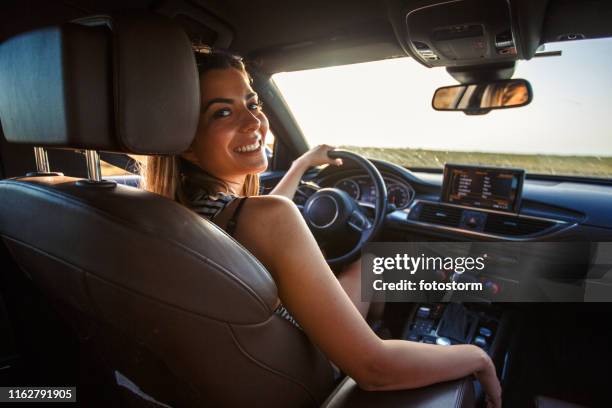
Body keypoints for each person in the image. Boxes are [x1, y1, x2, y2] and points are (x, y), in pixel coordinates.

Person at [140, 50, 502, 408]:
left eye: (252, 103)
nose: (253, 122)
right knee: (374, 265)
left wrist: (300, 164)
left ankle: (382, 327)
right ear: (185, 143)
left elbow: (257, 219)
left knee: (368, 267)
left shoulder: (167, 211)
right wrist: (475, 356)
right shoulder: (267, 218)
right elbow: (375, 369)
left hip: (242, 368)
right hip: (309, 364)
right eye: (222, 112)